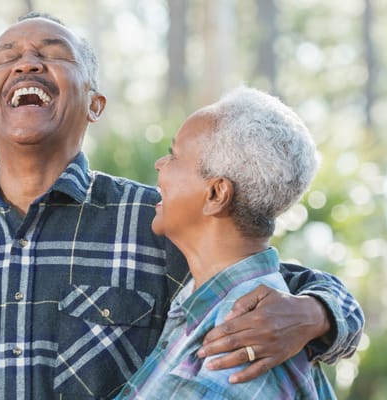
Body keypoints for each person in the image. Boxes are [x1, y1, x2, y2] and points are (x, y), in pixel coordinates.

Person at [0, 13, 363, 400]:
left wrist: (316, 315)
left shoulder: (154, 222)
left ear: (95, 104)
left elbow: (261, 281)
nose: (27, 60)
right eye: (8, 56)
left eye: (52, 52)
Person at [119, 88, 335, 399]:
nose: (159, 164)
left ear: (216, 194)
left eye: (175, 155)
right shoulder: (212, 315)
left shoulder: (227, 357)